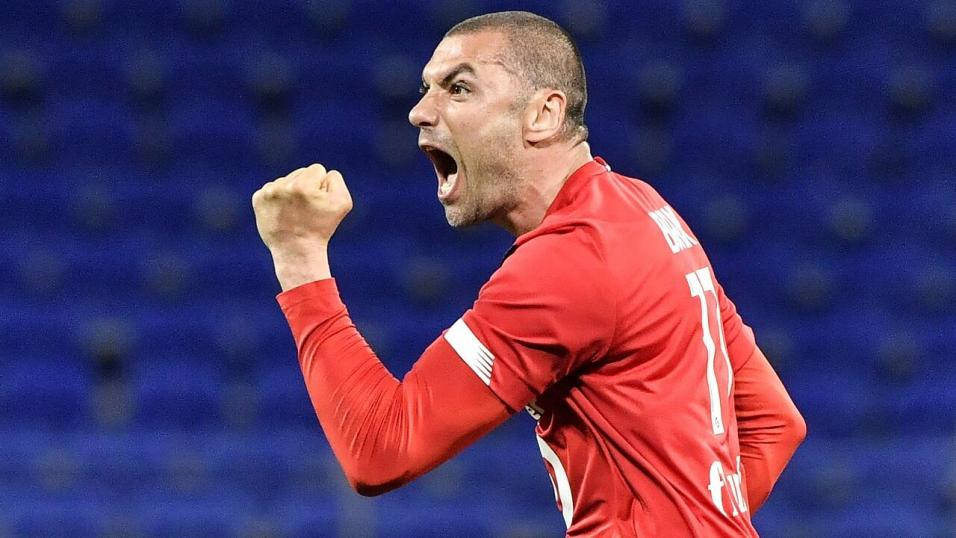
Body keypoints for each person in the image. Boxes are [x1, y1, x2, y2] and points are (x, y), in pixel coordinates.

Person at [251, 10, 805, 537]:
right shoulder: (641, 209)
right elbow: (775, 423)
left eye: (458, 88)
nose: (420, 112)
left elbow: (380, 450)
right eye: (426, 88)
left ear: (543, 114)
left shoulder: (569, 262)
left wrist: (299, 256)